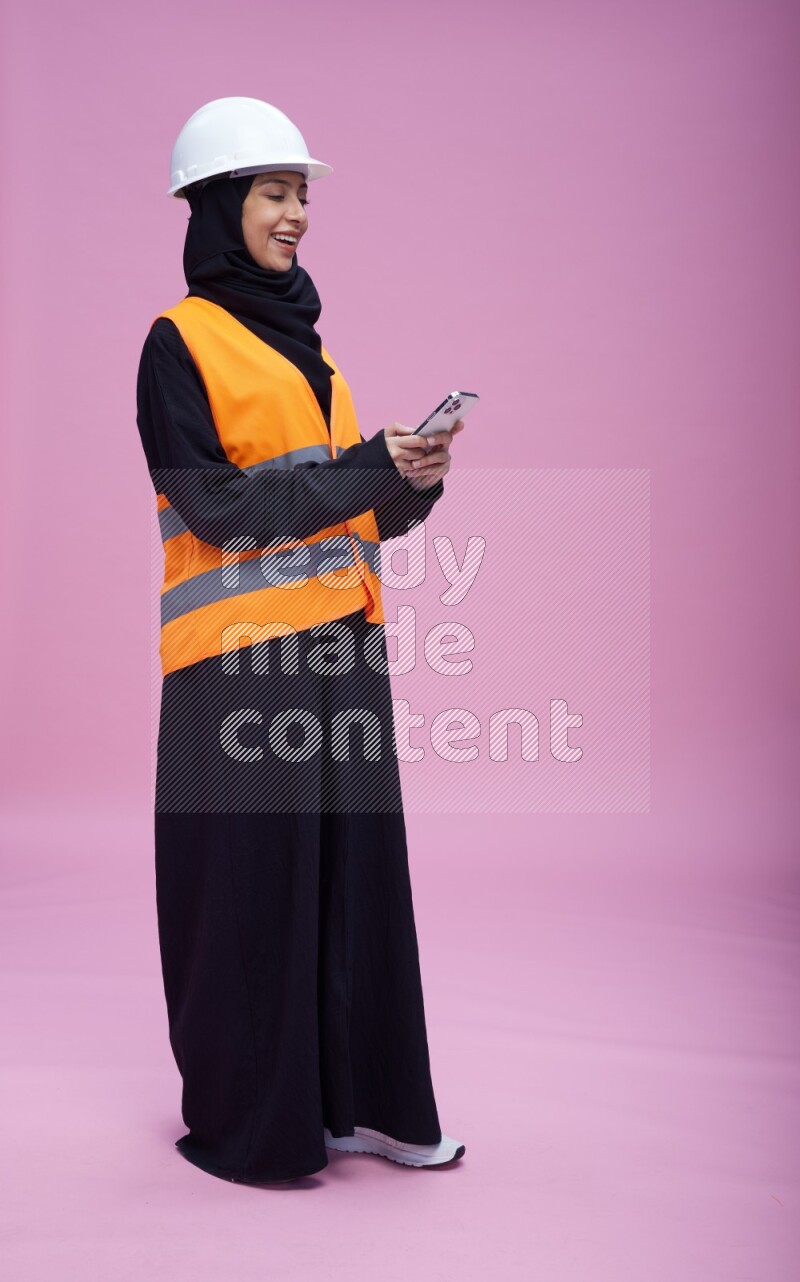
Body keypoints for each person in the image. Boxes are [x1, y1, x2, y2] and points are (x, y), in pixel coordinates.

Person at [135, 97, 466, 1184]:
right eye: (274, 194)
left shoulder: (311, 354)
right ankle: (256, 1125)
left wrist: (405, 480)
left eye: (301, 196)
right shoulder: (177, 341)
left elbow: (339, 508)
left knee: (354, 883)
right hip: (235, 665)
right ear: (219, 206)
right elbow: (216, 506)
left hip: (339, 648)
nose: (295, 216)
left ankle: (363, 1108)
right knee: (250, 894)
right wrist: (361, 466)